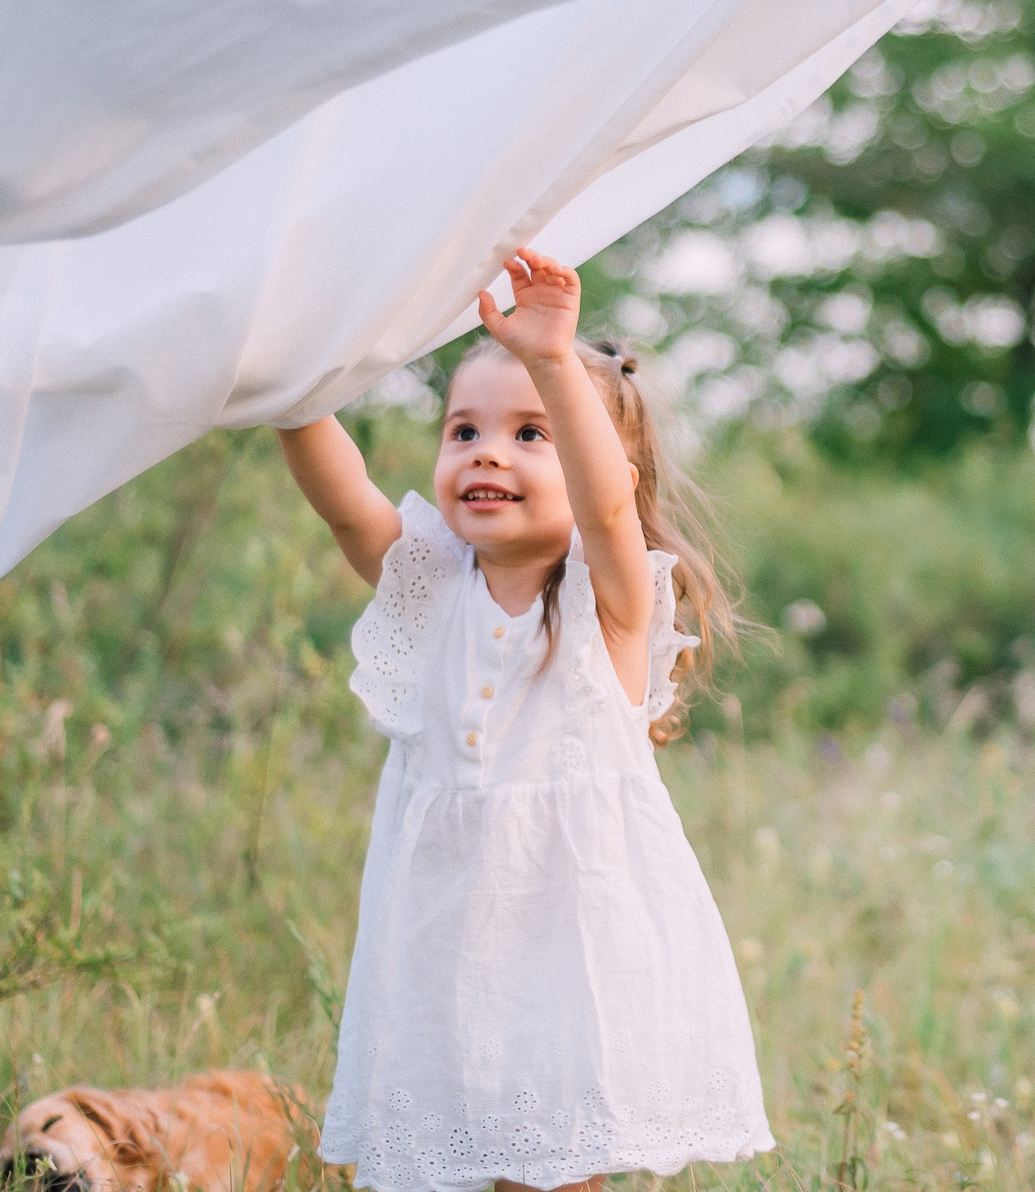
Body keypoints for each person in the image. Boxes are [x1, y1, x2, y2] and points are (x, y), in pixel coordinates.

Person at [277, 248, 770, 1192]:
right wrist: (293, 396)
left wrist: (551, 358)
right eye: (463, 429)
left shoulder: (610, 603)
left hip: (572, 954)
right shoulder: (427, 587)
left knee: (556, 1171)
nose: (486, 452)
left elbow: (610, 507)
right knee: (469, 1165)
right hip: (447, 950)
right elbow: (345, 505)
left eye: (530, 434)